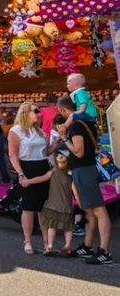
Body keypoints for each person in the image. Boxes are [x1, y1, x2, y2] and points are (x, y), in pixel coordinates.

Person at [57, 96, 112, 264]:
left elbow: (78, 152)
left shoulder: (75, 126)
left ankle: (104, 252)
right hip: (84, 169)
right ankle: (87, 246)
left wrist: (64, 137)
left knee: (98, 210)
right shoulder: (87, 123)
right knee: (89, 211)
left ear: (64, 110)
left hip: (84, 170)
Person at [8, 102, 52, 254]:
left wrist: (59, 141)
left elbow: (46, 151)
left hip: (42, 165)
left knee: (43, 206)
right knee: (28, 206)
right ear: (26, 112)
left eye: (39, 111)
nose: (39, 114)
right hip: (27, 167)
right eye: (36, 111)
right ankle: (28, 241)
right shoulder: (16, 131)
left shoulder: (39, 131)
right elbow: (13, 154)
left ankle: (47, 243)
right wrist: (20, 173)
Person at [30, 153, 75, 256]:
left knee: (52, 227)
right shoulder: (70, 178)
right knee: (68, 228)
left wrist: (29, 181)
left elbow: (40, 179)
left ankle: (50, 246)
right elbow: (75, 192)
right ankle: (67, 245)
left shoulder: (52, 173)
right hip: (66, 207)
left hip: (52, 206)